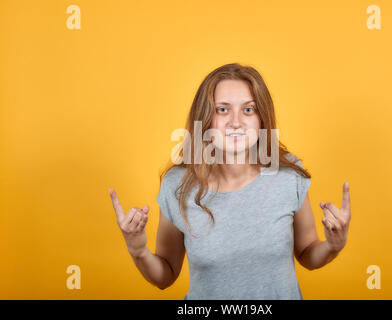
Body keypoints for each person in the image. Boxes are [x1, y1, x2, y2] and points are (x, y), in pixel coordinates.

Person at [109, 63, 351, 300]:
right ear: (205, 118)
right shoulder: (178, 186)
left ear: (262, 119)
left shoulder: (288, 175)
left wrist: (333, 245)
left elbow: (308, 253)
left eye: (248, 110)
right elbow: (166, 276)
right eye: (222, 110)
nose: (236, 122)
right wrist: (138, 251)